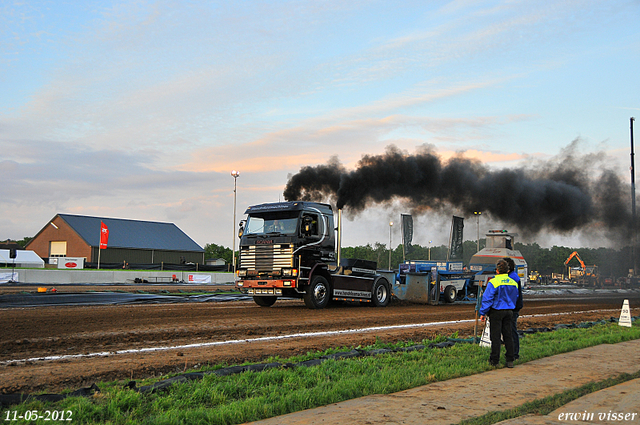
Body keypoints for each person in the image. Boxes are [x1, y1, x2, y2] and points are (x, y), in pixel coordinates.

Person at [480, 259, 520, 368]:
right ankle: (510, 360)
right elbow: (516, 297)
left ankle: (495, 360)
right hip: (509, 311)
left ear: (497, 271)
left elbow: (487, 298)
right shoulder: (513, 282)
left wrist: (483, 312)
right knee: (508, 335)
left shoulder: (493, 282)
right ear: (507, 271)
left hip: (496, 311)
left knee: (495, 337)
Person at [504, 257, 523, 360]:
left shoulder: (512, 278)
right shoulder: (513, 276)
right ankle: (512, 352)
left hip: (513, 308)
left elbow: (512, 295)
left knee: (511, 331)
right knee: (510, 330)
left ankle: (514, 354)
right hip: (513, 306)